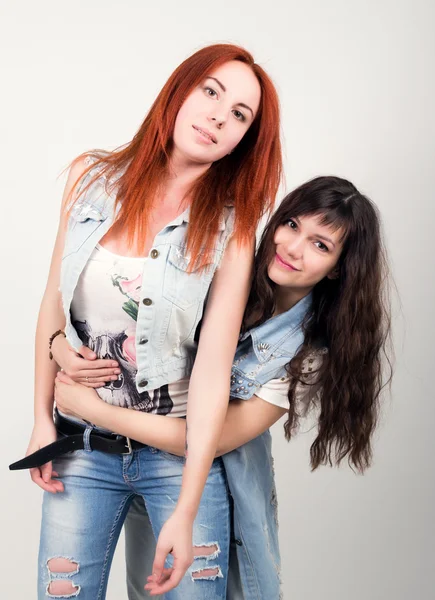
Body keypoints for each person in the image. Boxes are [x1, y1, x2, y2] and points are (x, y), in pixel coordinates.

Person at [11, 43, 283, 599]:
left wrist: (187, 507)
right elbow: (52, 302)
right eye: (211, 92)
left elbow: (211, 366)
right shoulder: (91, 176)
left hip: (176, 458)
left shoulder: (234, 225)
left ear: (244, 140)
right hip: (81, 449)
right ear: (179, 90)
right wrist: (42, 419)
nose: (217, 116)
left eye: (239, 115)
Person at [53, 175, 392, 599]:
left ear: (340, 267)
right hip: (114, 458)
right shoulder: (223, 268)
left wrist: (95, 411)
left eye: (320, 245)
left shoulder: (307, 355)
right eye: (291, 225)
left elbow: (207, 441)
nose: (292, 248)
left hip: (193, 474)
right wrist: (60, 348)